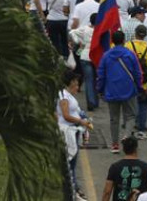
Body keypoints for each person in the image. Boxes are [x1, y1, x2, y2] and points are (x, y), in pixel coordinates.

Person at [97, 29, 143, 153]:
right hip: (129, 89)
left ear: (112, 41)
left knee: (114, 118)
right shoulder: (130, 54)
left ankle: (115, 144)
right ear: (124, 41)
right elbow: (137, 73)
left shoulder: (106, 55)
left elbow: (101, 74)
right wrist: (139, 87)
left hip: (111, 90)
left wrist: (100, 89)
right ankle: (127, 136)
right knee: (130, 115)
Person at [57, 69, 91, 201]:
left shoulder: (68, 95)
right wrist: (80, 121)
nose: (77, 86)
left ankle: (74, 188)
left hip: (74, 131)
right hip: (68, 131)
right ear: (70, 82)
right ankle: (71, 191)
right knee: (70, 163)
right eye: (76, 83)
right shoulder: (64, 96)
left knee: (72, 163)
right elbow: (65, 115)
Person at [102, 135, 147, 201]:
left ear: (123, 149)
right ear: (136, 149)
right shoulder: (146, 167)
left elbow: (107, 192)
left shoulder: (115, 167)